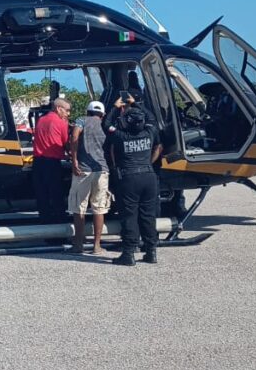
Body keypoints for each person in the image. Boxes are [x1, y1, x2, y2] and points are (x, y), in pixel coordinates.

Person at [107, 104, 163, 266]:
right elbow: (152, 118)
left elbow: (106, 124)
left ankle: (129, 252)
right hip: (148, 176)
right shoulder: (149, 132)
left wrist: (115, 107)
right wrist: (137, 104)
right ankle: (151, 250)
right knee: (148, 215)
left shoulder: (120, 136)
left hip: (129, 177)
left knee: (129, 215)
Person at [68, 100, 110, 254]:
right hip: (102, 170)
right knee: (99, 208)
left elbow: (74, 137)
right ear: (102, 114)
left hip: (83, 170)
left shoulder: (81, 120)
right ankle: (97, 245)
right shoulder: (105, 124)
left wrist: (74, 160)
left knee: (79, 207)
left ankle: (78, 244)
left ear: (88, 111)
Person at [32, 98, 71, 221]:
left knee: (42, 193)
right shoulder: (61, 123)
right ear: (59, 109)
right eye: (67, 110)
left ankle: (44, 217)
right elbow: (66, 143)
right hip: (52, 162)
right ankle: (59, 217)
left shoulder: (40, 120)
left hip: (38, 161)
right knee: (56, 192)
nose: (68, 113)